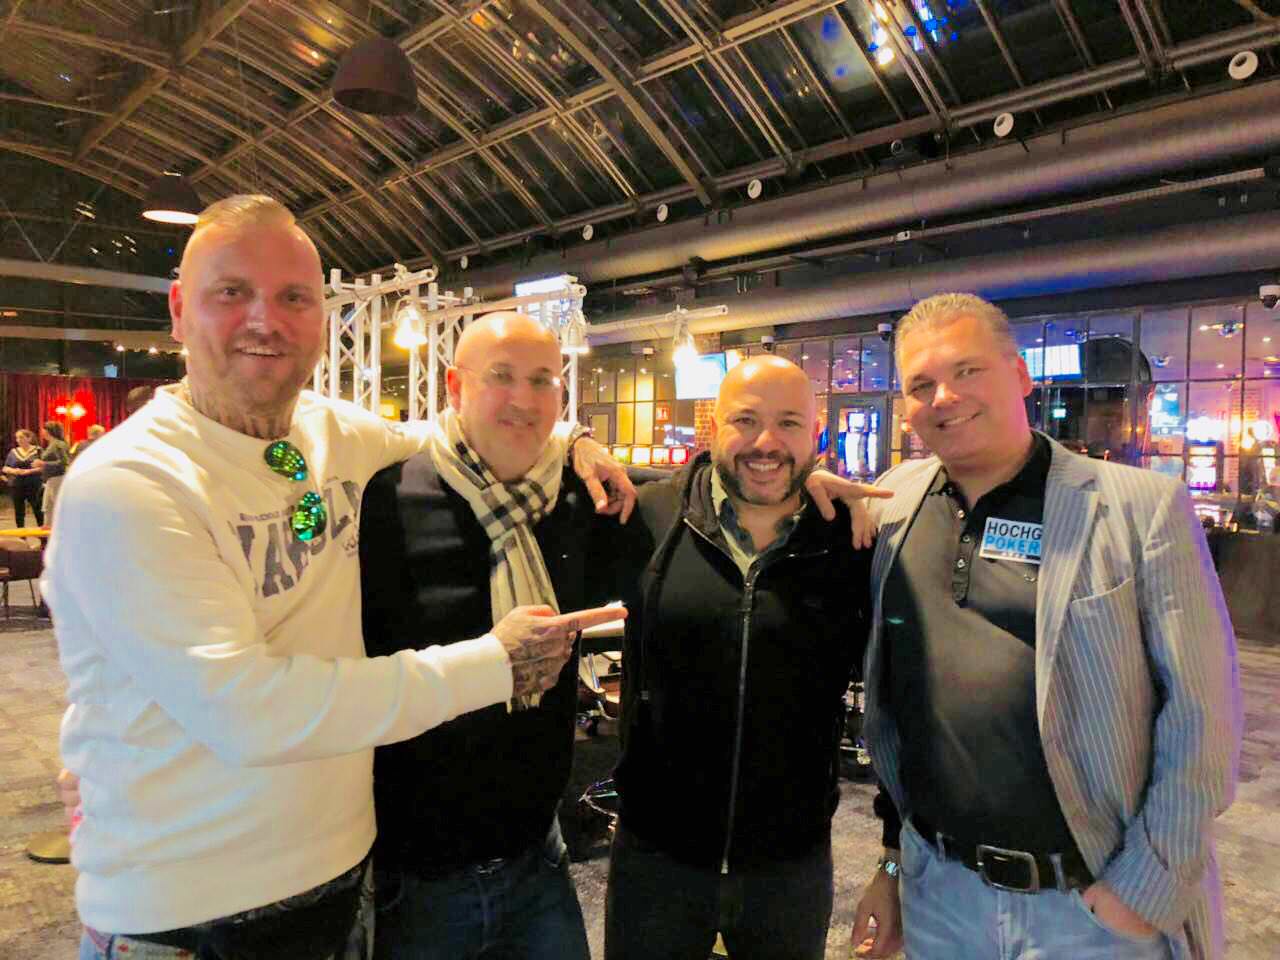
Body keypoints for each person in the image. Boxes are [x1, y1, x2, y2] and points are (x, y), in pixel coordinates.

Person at [45, 194, 632, 960]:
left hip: (342, 888)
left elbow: (470, 430)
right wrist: (494, 665)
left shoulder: (328, 435)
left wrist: (577, 439)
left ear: (321, 319)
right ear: (179, 311)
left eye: (294, 297)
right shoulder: (129, 481)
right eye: (233, 292)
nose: (266, 320)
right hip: (188, 919)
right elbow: (249, 711)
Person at [852, 293, 1242, 960]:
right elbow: (899, 710)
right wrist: (892, 866)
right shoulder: (894, 502)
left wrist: (1144, 889)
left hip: (1088, 908)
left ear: (1020, 376)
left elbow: (1203, 716)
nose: (945, 397)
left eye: (967, 370)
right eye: (921, 384)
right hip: (938, 894)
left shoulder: (1139, 510)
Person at [602, 354, 900, 960]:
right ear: (714, 427)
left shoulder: (851, 542)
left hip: (789, 866)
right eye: (745, 420)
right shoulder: (649, 518)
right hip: (655, 860)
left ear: (816, 435)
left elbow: (900, 699)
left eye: (789, 423)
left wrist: (893, 852)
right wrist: (575, 442)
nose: (766, 443)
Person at [361, 310, 638, 960]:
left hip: (538, 861)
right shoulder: (385, 500)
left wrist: (805, 487)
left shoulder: (577, 499)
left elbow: (695, 505)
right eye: (501, 377)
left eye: (543, 381)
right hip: (418, 880)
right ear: (455, 387)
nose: (524, 399)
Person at [4, 428, 45, 528]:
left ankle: (43, 535)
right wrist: (14, 471)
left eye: (21, 437)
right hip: (17, 484)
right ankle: (21, 535)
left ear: (29, 438)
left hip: (34, 484)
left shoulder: (38, 450)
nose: (18, 440)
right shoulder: (13, 452)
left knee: (38, 510)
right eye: (17, 438)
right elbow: (5, 468)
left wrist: (29, 471)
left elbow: (44, 467)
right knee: (19, 512)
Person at [36, 420, 70, 521]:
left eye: (43, 430)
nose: (41, 432)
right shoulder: (52, 444)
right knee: (48, 507)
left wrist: (44, 464)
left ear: (48, 431)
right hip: (51, 479)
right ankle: (48, 527)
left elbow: (64, 462)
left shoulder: (58, 444)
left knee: (56, 506)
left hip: (57, 479)